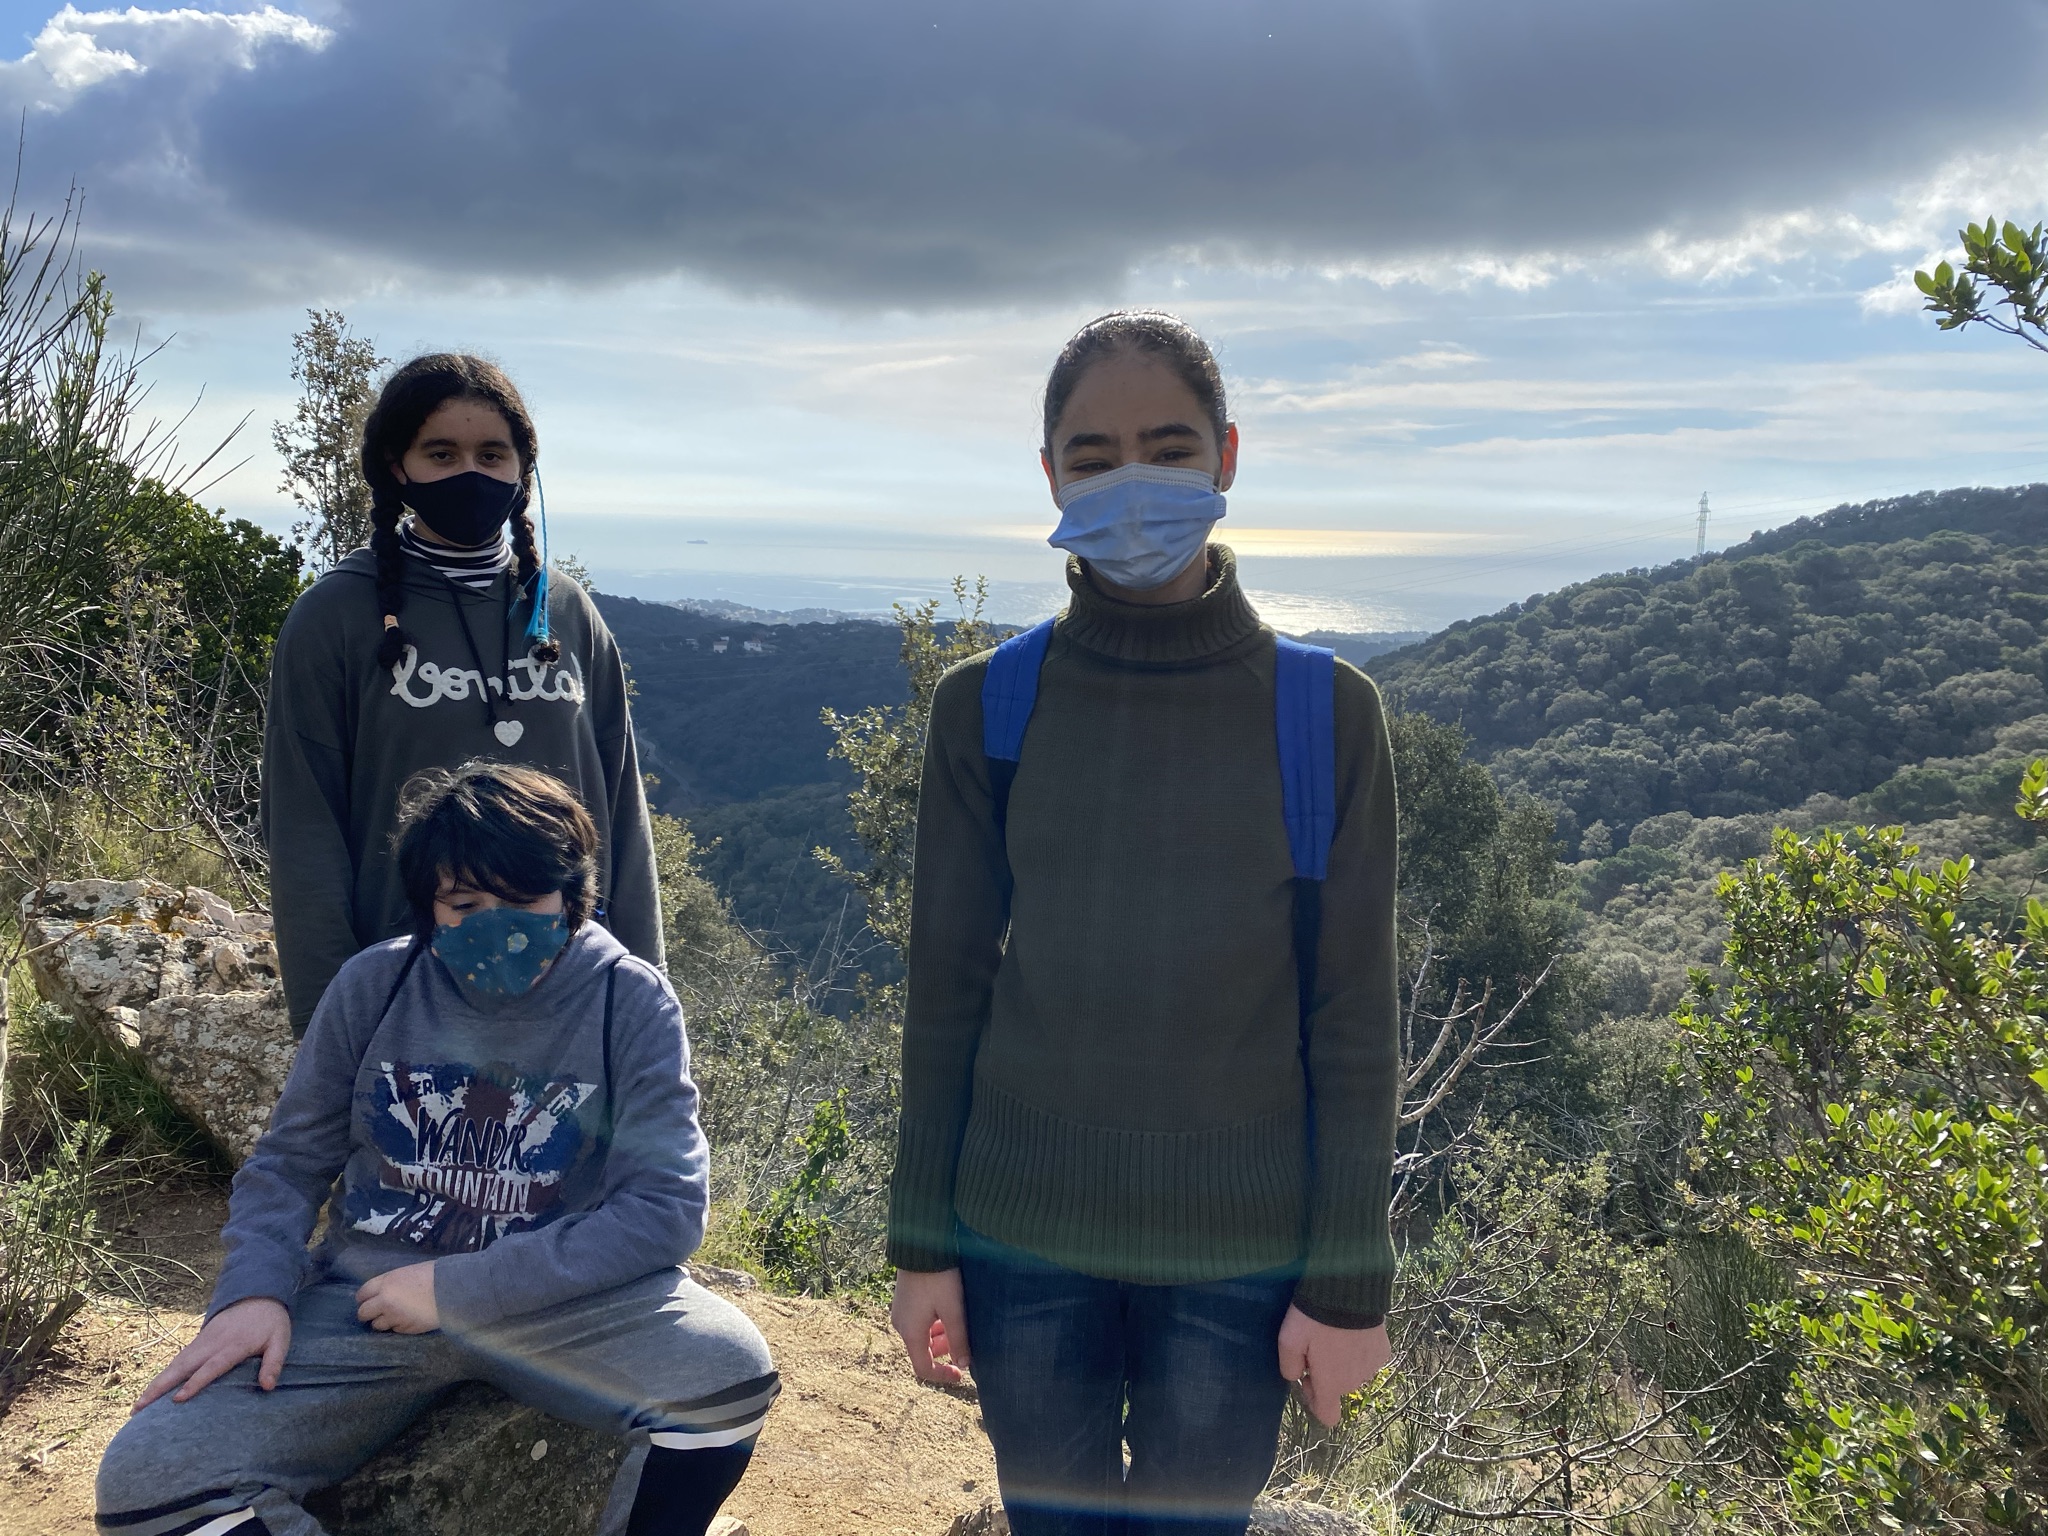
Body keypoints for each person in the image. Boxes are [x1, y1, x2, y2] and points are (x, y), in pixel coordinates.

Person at [887, 311, 1400, 1535]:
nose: (1132, 482)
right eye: (1094, 455)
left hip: (1239, 1255)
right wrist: (919, 1247)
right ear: (1050, 476)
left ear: (1226, 456)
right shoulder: (987, 707)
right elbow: (945, 989)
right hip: (1017, 1237)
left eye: (1168, 449)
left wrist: (1346, 1285)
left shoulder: (1323, 715)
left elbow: (1351, 1015)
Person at [98, 762, 776, 1536]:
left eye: (523, 901)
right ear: (429, 907)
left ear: (572, 895)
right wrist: (253, 1293)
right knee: (147, 1481)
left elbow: (664, 1208)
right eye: (465, 905)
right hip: (366, 1306)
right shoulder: (374, 986)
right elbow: (288, 1165)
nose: (497, 926)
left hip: (558, 1303)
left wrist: (458, 1290)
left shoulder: (629, 998)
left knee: (727, 1374)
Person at [262, 352, 663, 1035]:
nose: (470, 473)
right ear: (398, 466)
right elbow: (304, 829)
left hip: (570, 994)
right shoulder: (335, 616)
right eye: (441, 453)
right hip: (406, 996)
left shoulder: (567, 612)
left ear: (522, 470)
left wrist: (645, 992)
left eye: (491, 455)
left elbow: (622, 809)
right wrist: (331, 1019)